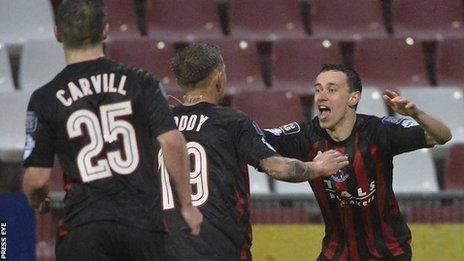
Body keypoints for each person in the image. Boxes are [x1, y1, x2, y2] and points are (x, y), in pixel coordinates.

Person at [20, 1, 202, 260]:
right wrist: (187, 205)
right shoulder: (142, 82)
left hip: (83, 229)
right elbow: (173, 142)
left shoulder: (45, 98)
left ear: (58, 33)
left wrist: (36, 199)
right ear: (105, 31)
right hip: (143, 227)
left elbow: (37, 179)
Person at [163, 44, 349, 261]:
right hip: (219, 249)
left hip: (165, 248)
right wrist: (316, 167)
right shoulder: (232, 122)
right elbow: (276, 167)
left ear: (180, 82)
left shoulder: (160, 124)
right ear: (218, 78)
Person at [264, 64, 452, 261]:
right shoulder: (305, 136)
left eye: (331, 89)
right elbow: (256, 138)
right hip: (336, 253)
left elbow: (442, 136)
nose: (321, 95)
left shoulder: (378, 131)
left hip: (388, 252)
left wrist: (417, 114)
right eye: (318, 89)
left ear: (353, 98)